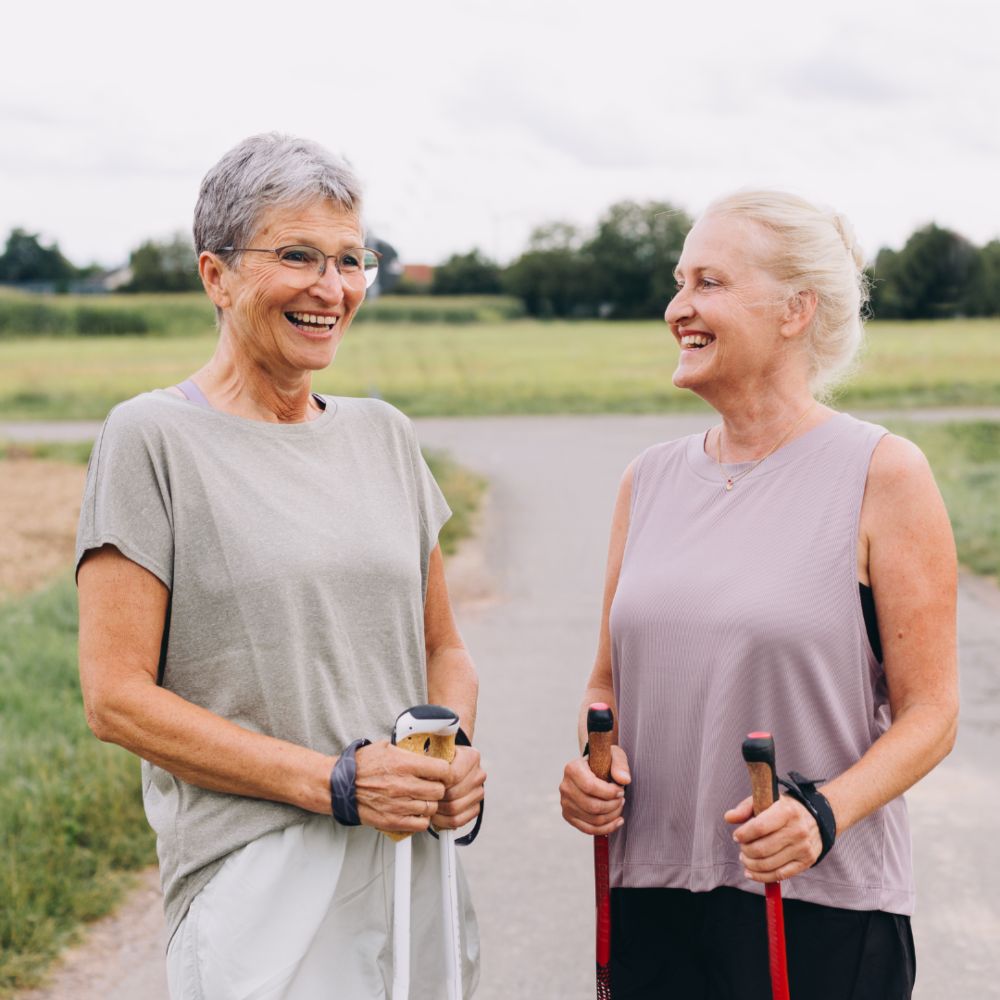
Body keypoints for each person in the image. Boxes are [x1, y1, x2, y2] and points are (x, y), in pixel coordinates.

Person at [76, 133, 485, 999]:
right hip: (261, 879)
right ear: (216, 276)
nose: (331, 289)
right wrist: (333, 783)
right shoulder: (151, 438)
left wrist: (450, 756)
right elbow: (116, 697)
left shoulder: (385, 434)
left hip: (411, 858)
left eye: (349, 260)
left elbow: (442, 650)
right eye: (296, 255)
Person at [559, 191, 957, 999]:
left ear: (794, 311)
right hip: (651, 894)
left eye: (708, 282)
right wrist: (594, 769)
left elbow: (933, 714)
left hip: (815, 904)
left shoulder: (883, 473)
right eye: (679, 282)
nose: (677, 308)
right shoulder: (650, 479)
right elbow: (608, 682)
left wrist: (822, 814)